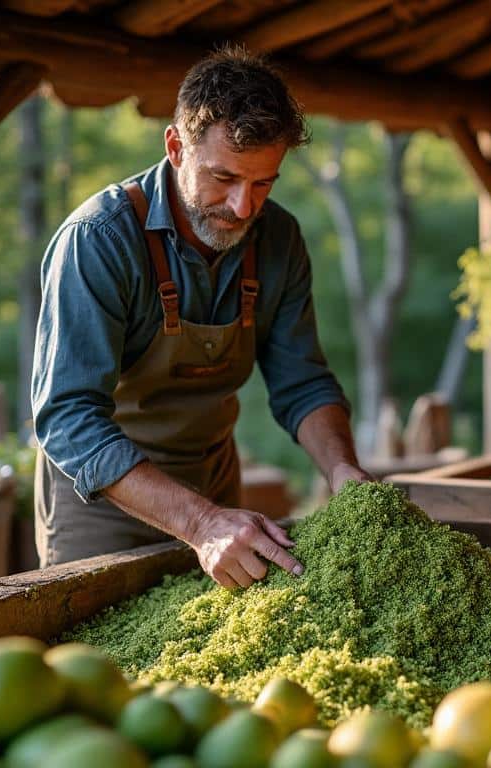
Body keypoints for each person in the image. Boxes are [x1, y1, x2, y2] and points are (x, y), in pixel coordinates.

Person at [31, 45, 370, 588]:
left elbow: (302, 383)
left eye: (263, 183)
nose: (243, 207)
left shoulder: (279, 239)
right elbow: (68, 418)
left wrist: (342, 470)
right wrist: (199, 522)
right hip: (102, 507)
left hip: (216, 489)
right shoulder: (97, 240)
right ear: (175, 146)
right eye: (224, 178)